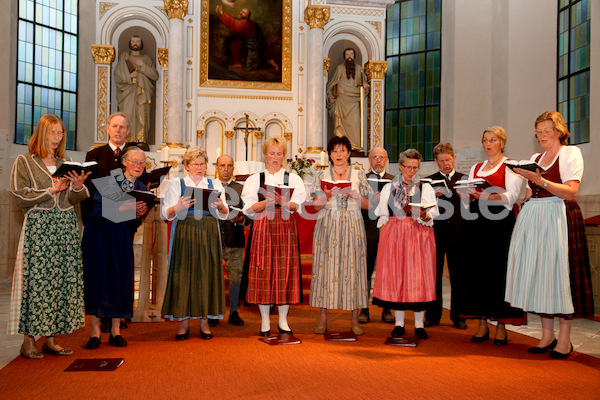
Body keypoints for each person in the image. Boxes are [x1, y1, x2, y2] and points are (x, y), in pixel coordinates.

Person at [505, 111, 594, 359]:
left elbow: (571, 192)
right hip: (535, 216)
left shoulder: (569, 153)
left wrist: (540, 180)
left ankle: (564, 340)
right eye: (539, 131)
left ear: (559, 131)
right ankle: (547, 336)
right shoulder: (536, 157)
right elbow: (528, 192)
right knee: (542, 275)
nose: (542, 135)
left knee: (559, 276)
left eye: (547, 130)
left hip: (558, 215)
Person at [9, 114, 90, 358]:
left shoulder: (66, 161)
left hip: (64, 227)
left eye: (61, 132)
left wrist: (77, 185)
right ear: (41, 133)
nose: (57, 137)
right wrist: (50, 190)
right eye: (53, 132)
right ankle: (28, 341)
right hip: (40, 228)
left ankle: (51, 339)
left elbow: (74, 198)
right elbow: (18, 195)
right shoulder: (24, 161)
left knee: (59, 282)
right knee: (37, 283)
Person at [457, 126, 526, 346]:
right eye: (485, 140)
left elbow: (511, 197)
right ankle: (483, 324)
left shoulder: (511, 166)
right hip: (478, 223)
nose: (488, 144)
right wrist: (465, 195)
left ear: (502, 142)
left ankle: (502, 326)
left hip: (500, 225)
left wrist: (484, 194)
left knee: (499, 273)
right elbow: (469, 199)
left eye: (493, 140)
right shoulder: (477, 167)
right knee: (478, 273)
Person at [82, 147, 149, 349]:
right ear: (124, 162)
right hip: (99, 236)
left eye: (142, 162)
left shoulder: (141, 187)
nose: (138, 166)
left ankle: (115, 332)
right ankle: (95, 333)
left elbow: (134, 221)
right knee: (98, 281)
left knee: (120, 280)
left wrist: (138, 215)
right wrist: (131, 208)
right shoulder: (111, 180)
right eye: (134, 161)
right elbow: (100, 211)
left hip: (121, 237)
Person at [161, 147, 229, 340]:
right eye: (195, 164)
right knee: (184, 275)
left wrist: (221, 206)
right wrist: (178, 207)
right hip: (185, 231)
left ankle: (205, 324)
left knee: (206, 275)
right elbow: (165, 213)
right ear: (187, 165)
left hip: (208, 231)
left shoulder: (214, 183)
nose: (199, 168)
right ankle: (183, 325)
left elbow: (224, 214)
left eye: (202, 164)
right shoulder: (177, 184)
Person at [241, 137, 306, 336]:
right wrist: (266, 202)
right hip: (262, 225)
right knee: (263, 271)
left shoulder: (293, 178)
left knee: (284, 270)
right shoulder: (255, 179)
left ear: (284, 156)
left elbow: (299, 206)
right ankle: (265, 321)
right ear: (265, 155)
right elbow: (248, 208)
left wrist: (281, 201)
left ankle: (284, 321)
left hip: (285, 225)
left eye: (279, 153)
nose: (275, 157)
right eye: (272, 153)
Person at [372, 149, 438, 339]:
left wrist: (425, 214)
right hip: (395, 235)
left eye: (415, 167)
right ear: (400, 166)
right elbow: (383, 214)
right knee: (397, 277)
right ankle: (399, 324)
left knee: (418, 278)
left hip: (419, 236)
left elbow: (432, 214)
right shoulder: (389, 187)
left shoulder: (425, 187)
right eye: (408, 167)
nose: (411, 171)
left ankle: (419, 325)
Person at [310, 136, 372, 335]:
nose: (338, 154)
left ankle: (355, 319)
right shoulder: (321, 174)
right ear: (329, 154)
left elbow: (370, 206)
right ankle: (323, 317)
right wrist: (326, 196)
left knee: (354, 269)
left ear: (348, 153)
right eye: (334, 150)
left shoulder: (359, 174)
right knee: (325, 268)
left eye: (342, 150)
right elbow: (314, 206)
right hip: (328, 224)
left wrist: (356, 196)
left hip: (352, 224)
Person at [83, 111, 133, 333]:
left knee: (119, 274)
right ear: (107, 129)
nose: (118, 130)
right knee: (98, 273)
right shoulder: (94, 154)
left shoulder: (135, 156)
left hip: (123, 226)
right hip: (100, 226)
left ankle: (116, 322)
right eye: (115, 126)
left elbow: (138, 191)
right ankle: (97, 323)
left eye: (122, 127)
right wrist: (89, 221)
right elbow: (86, 192)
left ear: (128, 131)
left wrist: (133, 219)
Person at [424, 143, 468, 330]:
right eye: (441, 161)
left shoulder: (464, 179)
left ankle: (458, 316)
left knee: (458, 275)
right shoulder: (428, 181)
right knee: (433, 275)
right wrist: (431, 196)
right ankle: (432, 315)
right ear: (436, 161)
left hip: (459, 232)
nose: (445, 164)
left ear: (454, 158)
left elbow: (471, 208)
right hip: (436, 232)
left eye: (448, 160)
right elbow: (423, 208)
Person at [359, 147, 394, 324]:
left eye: (382, 157)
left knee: (386, 272)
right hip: (367, 229)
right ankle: (364, 309)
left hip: (388, 232)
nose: (378, 160)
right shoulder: (362, 180)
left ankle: (387, 309)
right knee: (366, 271)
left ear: (387, 160)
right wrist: (370, 202)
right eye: (375, 157)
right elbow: (357, 205)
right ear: (369, 160)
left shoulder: (394, 180)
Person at [215, 154, 248, 327]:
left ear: (233, 168)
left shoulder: (241, 189)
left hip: (235, 238)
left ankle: (234, 312)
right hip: (213, 238)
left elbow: (250, 214)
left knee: (236, 276)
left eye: (229, 166)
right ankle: (213, 313)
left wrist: (241, 219)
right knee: (214, 276)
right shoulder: (210, 187)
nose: (226, 169)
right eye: (222, 165)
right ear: (216, 167)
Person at [114, 35, 159, 143]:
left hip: (143, 93)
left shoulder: (146, 59)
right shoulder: (124, 58)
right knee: (128, 116)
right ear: (130, 43)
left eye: (137, 41)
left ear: (141, 44)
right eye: (133, 41)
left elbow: (154, 76)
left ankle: (141, 139)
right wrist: (130, 77)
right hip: (128, 94)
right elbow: (117, 75)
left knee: (142, 116)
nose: (135, 43)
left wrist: (142, 65)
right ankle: (127, 140)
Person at [326, 48, 369, 152]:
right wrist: (330, 95)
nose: (349, 56)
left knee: (355, 124)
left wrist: (365, 87)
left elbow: (364, 85)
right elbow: (331, 84)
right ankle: (341, 148)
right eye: (347, 54)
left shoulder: (359, 69)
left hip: (354, 102)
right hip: (342, 101)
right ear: (344, 56)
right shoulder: (340, 68)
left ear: (354, 56)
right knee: (340, 126)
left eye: (351, 54)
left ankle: (355, 146)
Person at [214, 6, 277, 71]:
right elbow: (234, 21)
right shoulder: (244, 22)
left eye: (243, 13)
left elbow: (233, 23)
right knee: (234, 42)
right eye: (241, 11)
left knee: (249, 67)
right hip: (247, 43)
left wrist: (221, 12)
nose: (241, 13)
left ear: (247, 16)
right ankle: (239, 63)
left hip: (254, 46)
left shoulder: (245, 24)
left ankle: (269, 62)